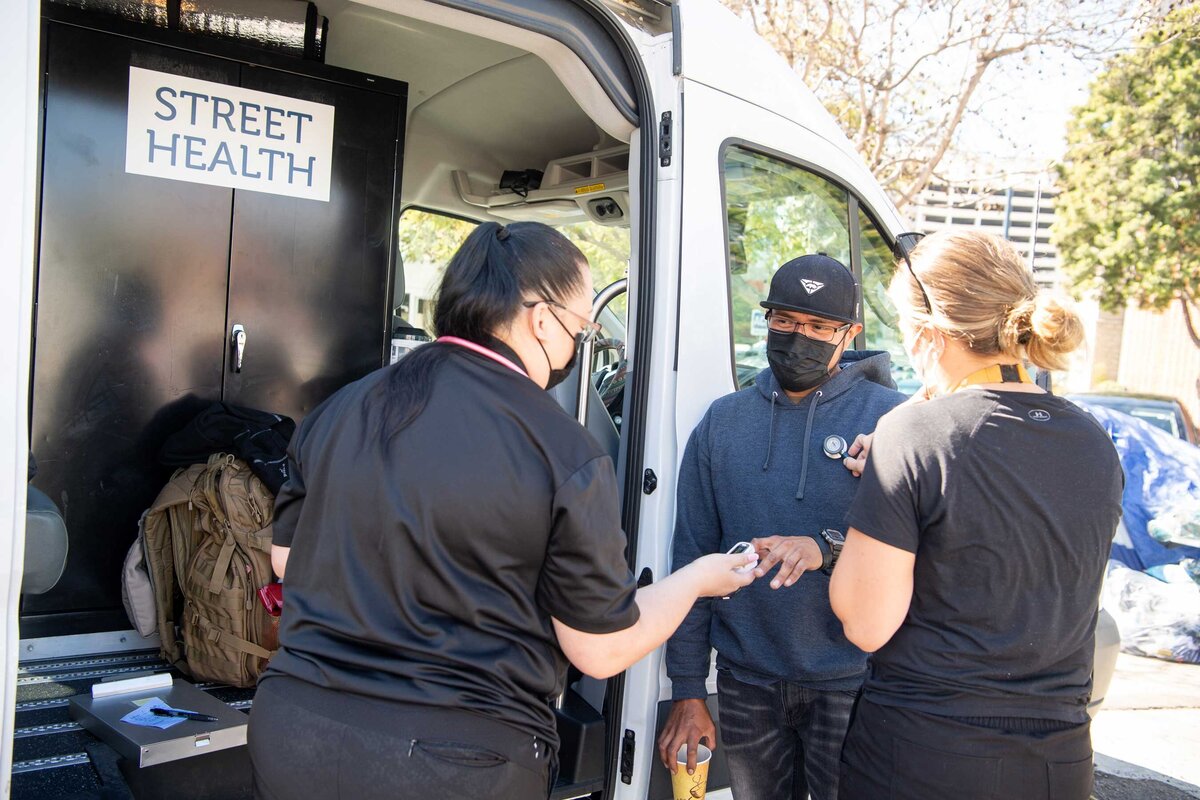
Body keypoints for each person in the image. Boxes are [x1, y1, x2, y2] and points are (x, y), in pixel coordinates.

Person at [248, 221, 759, 800]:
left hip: (295, 729)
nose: (577, 347)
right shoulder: (563, 449)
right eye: (582, 329)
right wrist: (698, 580)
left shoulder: (341, 408)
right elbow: (600, 647)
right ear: (543, 321)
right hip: (453, 762)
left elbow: (288, 560)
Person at [830, 230, 1124, 800]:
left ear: (929, 334)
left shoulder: (915, 436)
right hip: (1058, 761)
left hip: (925, 754)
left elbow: (865, 623)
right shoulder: (1093, 441)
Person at [657, 254, 906, 800]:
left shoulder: (895, 421)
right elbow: (693, 557)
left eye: (820, 327)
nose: (801, 338)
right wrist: (688, 690)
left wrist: (826, 547)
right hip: (748, 681)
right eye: (786, 321)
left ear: (851, 333)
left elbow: (924, 550)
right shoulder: (723, 422)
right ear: (765, 319)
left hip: (856, 682)